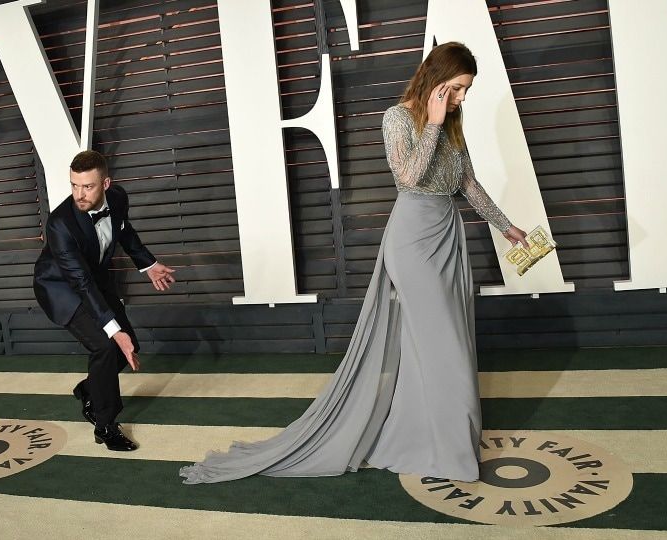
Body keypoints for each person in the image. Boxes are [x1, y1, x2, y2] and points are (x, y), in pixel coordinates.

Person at [180, 42, 528, 483]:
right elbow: (407, 177)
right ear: (437, 81)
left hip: (447, 237)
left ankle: (433, 442)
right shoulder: (398, 118)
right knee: (446, 352)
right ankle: (450, 454)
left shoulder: (454, 124)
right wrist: (434, 125)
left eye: (465, 92)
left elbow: (468, 183)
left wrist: (507, 226)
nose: (461, 99)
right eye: (457, 88)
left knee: (445, 348)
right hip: (413, 244)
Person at [34, 150, 175, 451]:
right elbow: (80, 283)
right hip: (63, 288)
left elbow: (124, 231)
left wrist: (148, 265)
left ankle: (90, 389)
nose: (79, 194)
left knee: (130, 347)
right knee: (107, 346)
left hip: (93, 280)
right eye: (74, 185)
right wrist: (113, 331)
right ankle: (105, 425)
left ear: (106, 183)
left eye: (88, 186)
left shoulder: (119, 198)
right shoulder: (60, 224)